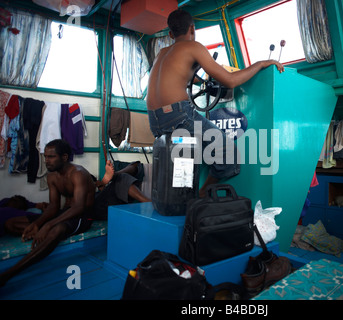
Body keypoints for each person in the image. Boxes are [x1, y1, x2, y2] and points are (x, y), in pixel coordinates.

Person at [147, 9, 285, 197]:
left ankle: (182, 201)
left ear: (170, 34)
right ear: (192, 29)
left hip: (155, 121)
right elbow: (230, 81)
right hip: (178, 115)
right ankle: (203, 194)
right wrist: (260, 64)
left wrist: (201, 81)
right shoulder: (193, 46)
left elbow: (181, 77)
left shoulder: (162, 53)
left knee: (187, 157)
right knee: (229, 153)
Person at [0, 139, 150, 286]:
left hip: (82, 215)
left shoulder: (78, 174)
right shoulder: (52, 176)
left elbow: (79, 207)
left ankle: (10, 273)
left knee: (56, 229)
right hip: (66, 212)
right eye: (45, 156)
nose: (47, 161)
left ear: (64, 157)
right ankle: (36, 231)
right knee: (11, 223)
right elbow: (53, 207)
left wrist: (47, 226)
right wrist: (38, 224)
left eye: (51, 157)